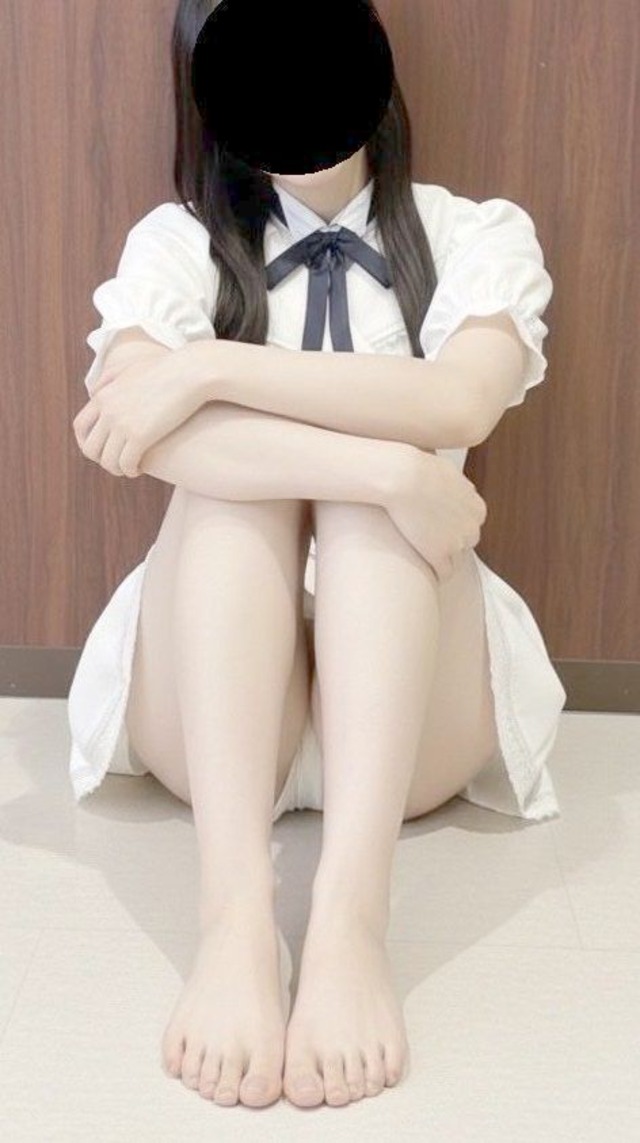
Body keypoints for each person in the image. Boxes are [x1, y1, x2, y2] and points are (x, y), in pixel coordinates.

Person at [68, 0, 567, 1113]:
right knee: (244, 500)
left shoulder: (473, 233)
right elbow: (130, 430)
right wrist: (389, 470)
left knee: (357, 517)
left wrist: (210, 370)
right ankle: (235, 920)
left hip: (409, 710)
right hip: (207, 705)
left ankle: (349, 924)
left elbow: (459, 401)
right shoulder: (177, 244)